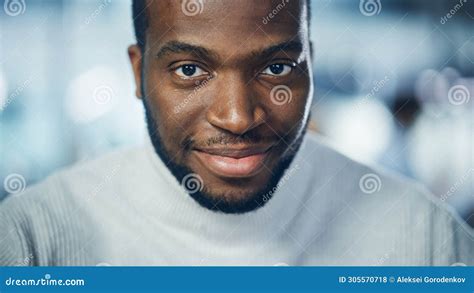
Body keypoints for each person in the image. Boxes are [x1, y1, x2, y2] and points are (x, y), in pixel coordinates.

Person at [0, 0, 472, 266]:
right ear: (139, 73)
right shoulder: (33, 242)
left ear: (311, 66)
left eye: (277, 67)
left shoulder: (424, 240)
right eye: (189, 70)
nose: (237, 117)